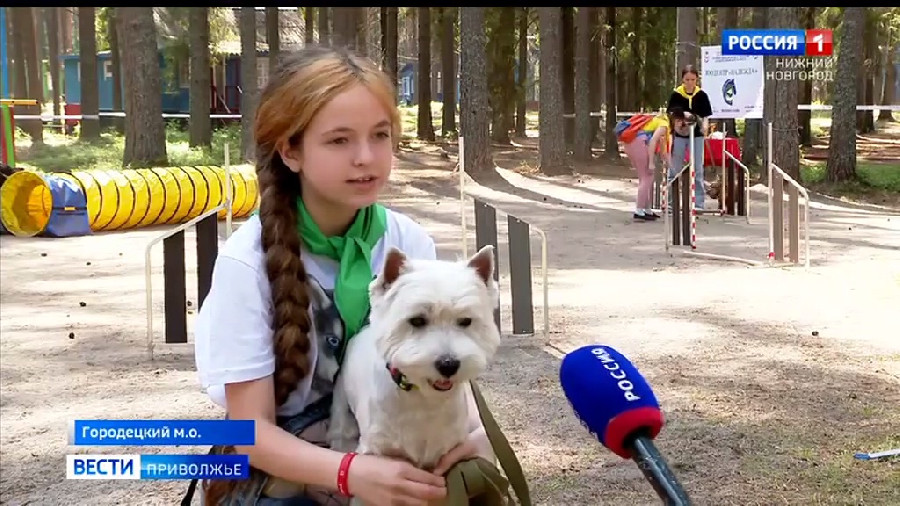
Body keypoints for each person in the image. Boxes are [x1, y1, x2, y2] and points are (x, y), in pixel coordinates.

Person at [190, 46, 496, 506]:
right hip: (289, 466)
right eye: (339, 140)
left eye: (380, 135)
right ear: (291, 150)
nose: (366, 157)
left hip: (399, 448)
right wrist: (351, 472)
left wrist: (473, 437)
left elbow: (438, 369)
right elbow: (250, 432)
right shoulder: (245, 264)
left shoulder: (408, 241)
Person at [666, 65, 713, 210]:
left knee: (698, 168)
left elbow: (706, 115)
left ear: (697, 80)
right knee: (674, 168)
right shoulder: (676, 95)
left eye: (693, 79)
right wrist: (678, 122)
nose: (690, 82)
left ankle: (698, 203)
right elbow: (671, 114)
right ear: (682, 80)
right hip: (679, 135)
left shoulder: (702, 95)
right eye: (687, 79)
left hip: (697, 135)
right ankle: (671, 202)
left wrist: (705, 125)